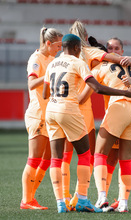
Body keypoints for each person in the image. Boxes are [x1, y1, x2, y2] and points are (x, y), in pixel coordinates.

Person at [42, 34, 131, 213]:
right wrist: (126, 90)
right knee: (117, 157)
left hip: (53, 110)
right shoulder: (125, 65)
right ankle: (124, 202)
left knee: (81, 156)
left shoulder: (52, 64)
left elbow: (45, 94)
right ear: (75, 48)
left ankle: (70, 201)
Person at [78, 37, 131, 212]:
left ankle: (102, 197)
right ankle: (124, 202)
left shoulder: (100, 67)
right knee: (125, 159)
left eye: (115, 48)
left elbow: (83, 98)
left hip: (119, 107)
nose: (113, 50)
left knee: (100, 154)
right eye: (110, 48)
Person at [21, 27, 63, 210]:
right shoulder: (36, 59)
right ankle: (26, 200)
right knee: (35, 158)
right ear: (48, 43)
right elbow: (31, 83)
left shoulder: (52, 59)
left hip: (49, 114)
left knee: (46, 159)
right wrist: (49, 75)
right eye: (58, 45)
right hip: (37, 113)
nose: (60, 49)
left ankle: (31, 197)